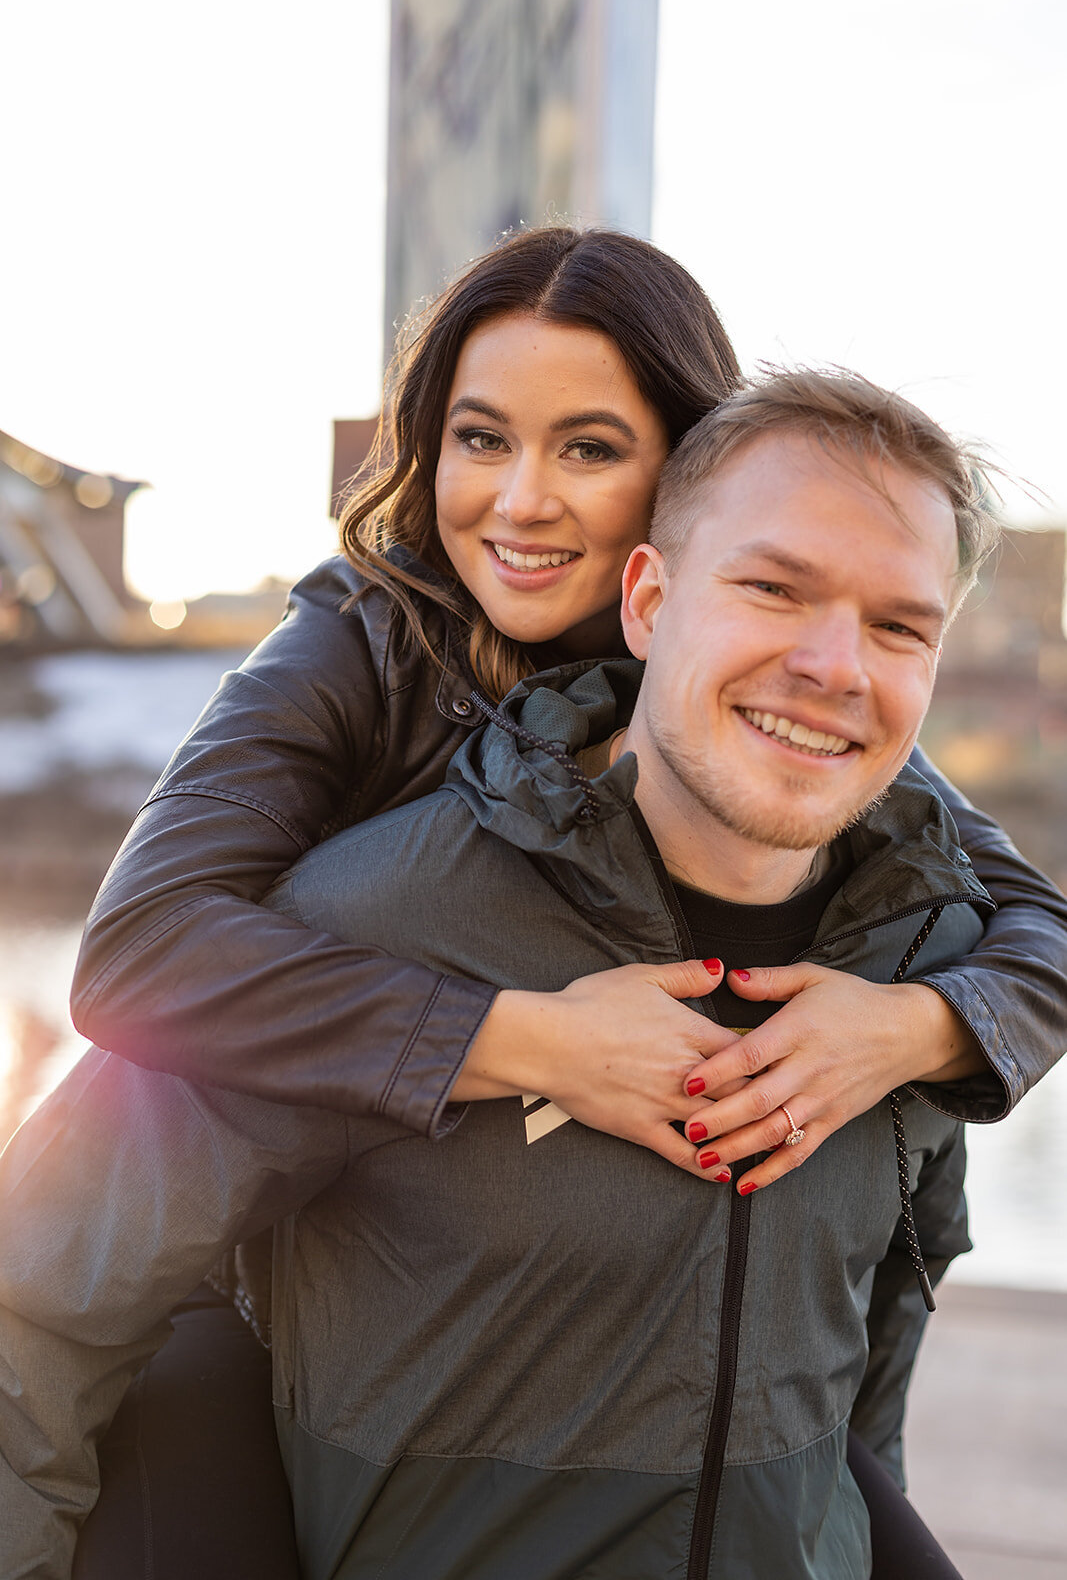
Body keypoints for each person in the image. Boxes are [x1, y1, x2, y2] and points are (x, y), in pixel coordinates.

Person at [0, 368, 1004, 1577]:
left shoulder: (920, 960)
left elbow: (878, 1328)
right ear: (646, 598)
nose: (836, 666)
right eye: (770, 588)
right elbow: (34, 1307)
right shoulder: (367, 920)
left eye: (898, 625)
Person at [69, 226, 1067, 1186]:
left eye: (586, 450)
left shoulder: (748, 682)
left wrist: (908, 1028)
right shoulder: (363, 633)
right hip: (254, 1235)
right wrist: (531, 1040)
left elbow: (1038, 927)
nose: (519, 500)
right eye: (481, 438)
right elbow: (137, 949)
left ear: (688, 465)